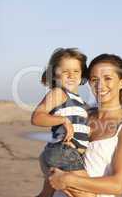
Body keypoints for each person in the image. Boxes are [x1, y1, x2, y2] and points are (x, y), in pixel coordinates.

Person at [48, 54, 122, 197]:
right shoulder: (81, 114)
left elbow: (118, 185)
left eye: (108, 78)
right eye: (94, 79)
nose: (100, 85)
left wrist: (67, 179)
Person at [31, 48, 93, 197]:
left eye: (76, 71)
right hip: (63, 152)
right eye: (65, 71)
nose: (71, 75)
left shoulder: (81, 102)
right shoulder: (59, 93)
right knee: (88, 194)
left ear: (82, 74)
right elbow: (37, 117)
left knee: (46, 194)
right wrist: (63, 120)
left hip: (66, 154)